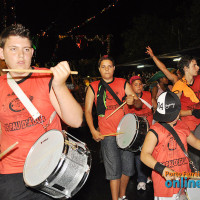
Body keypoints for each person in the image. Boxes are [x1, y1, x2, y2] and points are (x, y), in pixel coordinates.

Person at [0, 24, 83, 200]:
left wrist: (59, 85)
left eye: (26, 49)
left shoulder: (46, 77)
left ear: (32, 52)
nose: (21, 56)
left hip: (50, 167)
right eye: (13, 49)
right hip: (11, 172)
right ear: (1, 53)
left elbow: (76, 121)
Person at [85, 55, 142, 200]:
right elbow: (87, 111)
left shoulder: (123, 83)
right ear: (99, 69)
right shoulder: (93, 86)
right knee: (113, 171)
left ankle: (122, 195)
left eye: (109, 66)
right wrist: (92, 130)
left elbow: (138, 104)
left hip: (126, 134)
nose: (106, 69)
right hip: (107, 134)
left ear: (114, 68)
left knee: (128, 170)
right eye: (103, 67)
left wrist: (133, 100)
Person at [140, 91, 200, 200]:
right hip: (164, 185)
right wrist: (162, 169)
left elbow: (195, 142)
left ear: (178, 112)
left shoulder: (182, 125)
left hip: (184, 179)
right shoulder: (155, 130)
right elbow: (144, 155)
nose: (168, 119)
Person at [124, 75, 153, 190]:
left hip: (149, 130)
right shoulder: (127, 100)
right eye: (135, 85)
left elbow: (152, 107)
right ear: (131, 87)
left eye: (140, 84)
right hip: (137, 133)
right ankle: (141, 180)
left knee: (151, 154)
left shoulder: (148, 95)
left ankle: (148, 176)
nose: (139, 86)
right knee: (139, 155)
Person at [171, 55, 200, 170]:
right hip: (189, 127)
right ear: (186, 68)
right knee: (195, 161)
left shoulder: (198, 80)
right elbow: (173, 112)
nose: (198, 67)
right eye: (194, 65)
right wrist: (191, 112)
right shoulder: (179, 86)